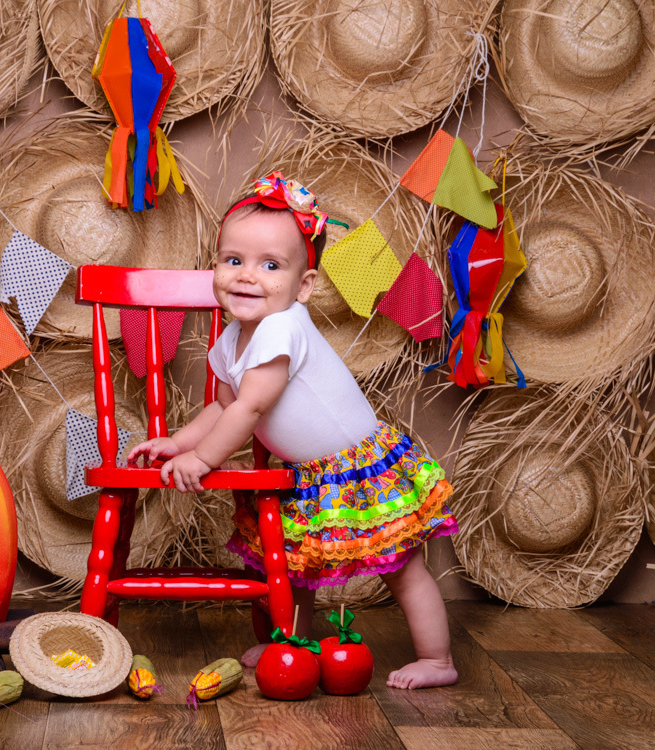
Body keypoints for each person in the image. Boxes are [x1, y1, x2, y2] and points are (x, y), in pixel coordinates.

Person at [127, 172, 459, 690]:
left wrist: (203, 460)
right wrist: (180, 440)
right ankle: (293, 642)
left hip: (360, 468)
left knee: (404, 570)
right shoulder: (235, 337)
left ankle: (438, 660)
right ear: (214, 267)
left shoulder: (283, 327)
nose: (247, 276)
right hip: (310, 474)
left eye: (270, 266)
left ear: (304, 286)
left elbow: (250, 410)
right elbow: (223, 407)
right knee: (297, 568)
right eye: (233, 261)